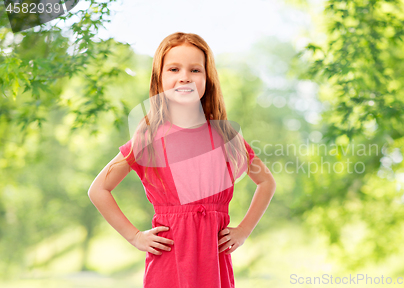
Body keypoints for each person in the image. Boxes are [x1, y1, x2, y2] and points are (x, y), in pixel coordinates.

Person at [88, 32, 276, 288]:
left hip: (214, 266)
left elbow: (266, 183)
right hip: (169, 263)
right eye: (174, 69)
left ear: (208, 79)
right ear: (160, 78)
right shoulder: (149, 137)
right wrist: (135, 237)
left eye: (195, 70)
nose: (185, 77)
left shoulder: (225, 136)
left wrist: (243, 230)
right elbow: (99, 189)